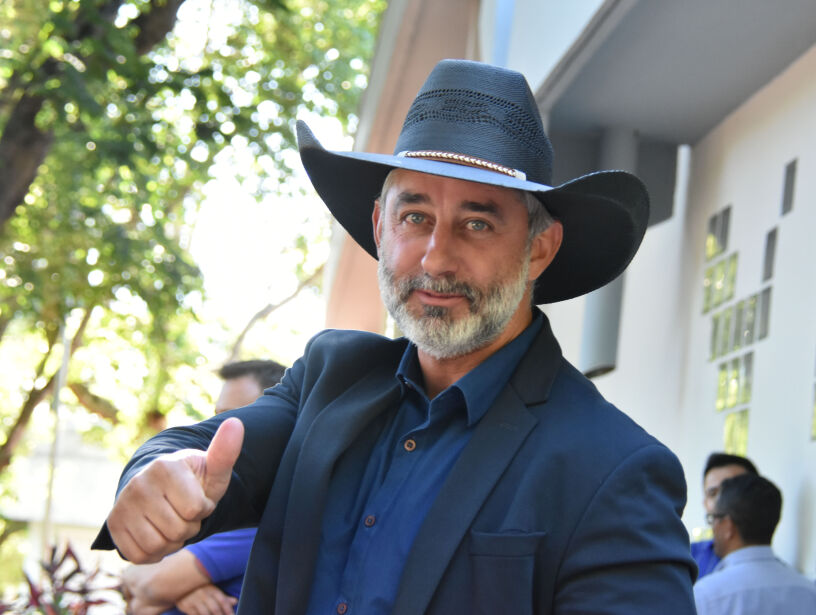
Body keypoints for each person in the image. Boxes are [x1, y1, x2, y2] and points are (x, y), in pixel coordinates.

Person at [93, 59, 697, 614]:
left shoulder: (614, 469)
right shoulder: (331, 378)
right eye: (415, 217)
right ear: (381, 225)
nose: (436, 258)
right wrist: (155, 476)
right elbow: (197, 456)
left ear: (539, 248)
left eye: (477, 223)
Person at [121, 360, 286, 615]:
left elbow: (148, 586)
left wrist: (160, 590)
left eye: (234, 418)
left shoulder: (264, 518)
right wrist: (184, 591)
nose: (217, 431)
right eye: (217, 416)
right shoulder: (210, 505)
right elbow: (133, 581)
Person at [693, 474, 816, 615]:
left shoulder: (705, 596)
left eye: (713, 518)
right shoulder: (810, 594)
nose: (712, 527)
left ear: (728, 526)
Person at [691, 452, 759, 578]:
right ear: (705, 503)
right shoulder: (687, 558)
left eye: (731, 490)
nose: (721, 501)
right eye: (713, 493)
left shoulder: (778, 575)